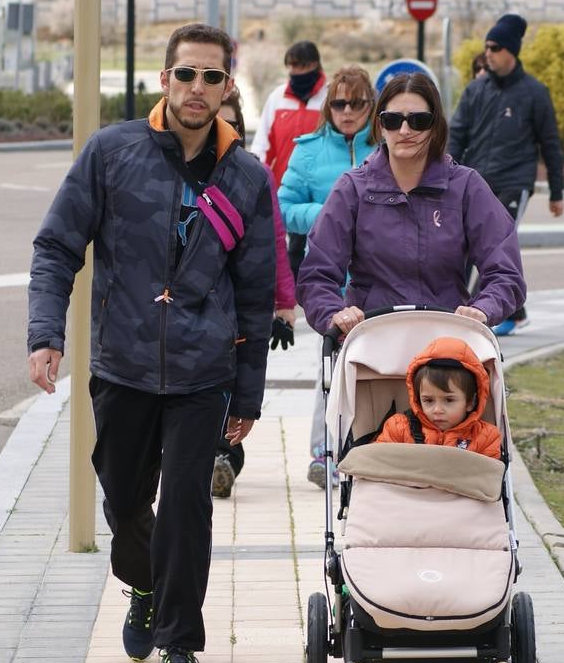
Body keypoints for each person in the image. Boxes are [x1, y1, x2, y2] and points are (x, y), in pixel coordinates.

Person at [27, 23, 276, 663]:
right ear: (163, 80)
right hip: (123, 364)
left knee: (187, 509)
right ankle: (141, 580)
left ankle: (180, 648)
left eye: (213, 78)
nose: (199, 89)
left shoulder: (246, 177)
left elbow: (256, 297)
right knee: (125, 501)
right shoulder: (112, 153)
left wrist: (247, 396)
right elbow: (56, 248)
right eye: (187, 75)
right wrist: (45, 333)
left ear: (228, 89)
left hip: (203, 375)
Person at [297, 71, 526, 401]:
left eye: (418, 120)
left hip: (448, 361)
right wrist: (334, 312)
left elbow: (506, 272)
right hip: (372, 358)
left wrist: (483, 310)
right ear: (379, 125)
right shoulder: (353, 189)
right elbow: (316, 273)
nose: (404, 130)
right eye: (393, 120)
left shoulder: (465, 187)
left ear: (435, 126)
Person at [277, 66, 378, 488]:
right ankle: (323, 451)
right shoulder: (308, 151)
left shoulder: (389, 147)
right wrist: (327, 217)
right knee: (332, 364)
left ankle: (370, 449)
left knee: (374, 369)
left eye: (357, 103)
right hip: (330, 279)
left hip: (379, 277)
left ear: (371, 105)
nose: (348, 111)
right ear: (328, 107)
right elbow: (282, 207)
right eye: (339, 103)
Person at [448, 13, 564, 336]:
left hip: (514, 184)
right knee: (460, 248)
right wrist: (442, 176)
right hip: (476, 184)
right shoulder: (476, 91)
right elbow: (456, 136)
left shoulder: (534, 93)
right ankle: (462, 312)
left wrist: (557, 192)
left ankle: (485, 316)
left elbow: (551, 144)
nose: (488, 52)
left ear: (511, 51)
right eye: (486, 46)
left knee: (495, 248)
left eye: (495, 46)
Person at [210, 86, 297, 499]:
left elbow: (274, 242)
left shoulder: (254, 176)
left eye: (231, 123)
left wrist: (284, 305)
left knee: (231, 385)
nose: (223, 129)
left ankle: (224, 457)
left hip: (239, 307)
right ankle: (209, 458)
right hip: (192, 309)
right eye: (216, 121)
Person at [375, 336, 503, 458]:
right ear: (418, 399)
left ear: (470, 402)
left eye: (449, 400)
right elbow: (379, 463)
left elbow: (486, 478)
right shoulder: (398, 428)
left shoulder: (486, 437)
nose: (437, 410)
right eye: (428, 400)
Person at [251, 40, 327, 191]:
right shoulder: (277, 97)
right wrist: (256, 180)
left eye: (298, 65)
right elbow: (262, 145)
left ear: (313, 65)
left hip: (321, 190)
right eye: (290, 65)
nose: (292, 71)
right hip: (281, 188)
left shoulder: (330, 99)